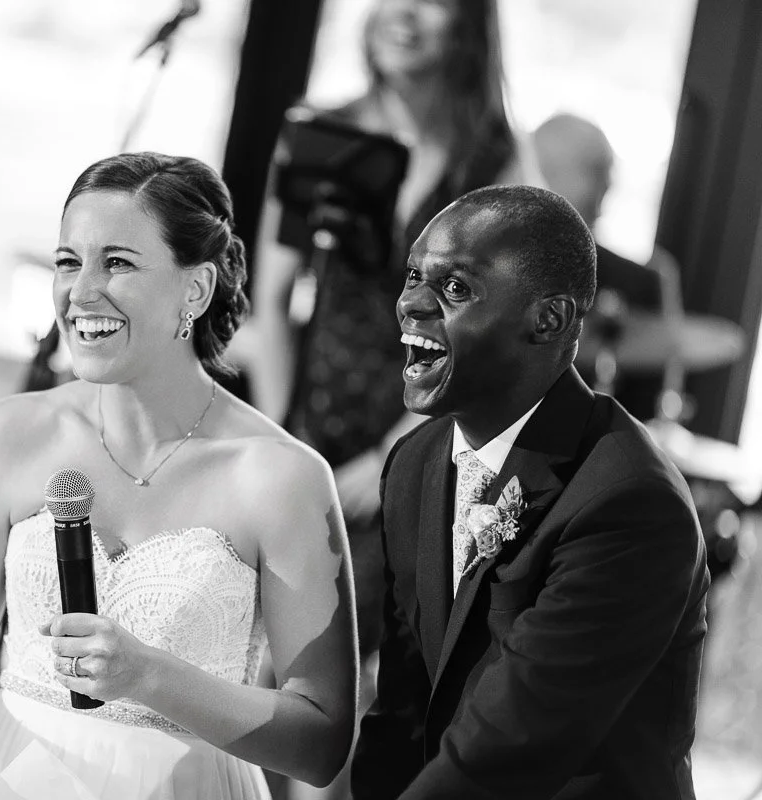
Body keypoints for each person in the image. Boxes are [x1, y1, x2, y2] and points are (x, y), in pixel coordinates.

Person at [0, 152, 357, 800]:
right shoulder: (13, 435)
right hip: (10, 773)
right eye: (69, 261)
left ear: (195, 290)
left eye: (116, 262)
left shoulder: (281, 477)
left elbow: (322, 740)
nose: (80, 292)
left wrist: (150, 676)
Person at [350, 184, 708, 799]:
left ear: (550, 319)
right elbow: (402, 714)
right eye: (414, 276)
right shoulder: (415, 461)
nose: (411, 302)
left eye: (455, 287)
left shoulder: (628, 504)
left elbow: (508, 750)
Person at [236, 0, 539, 704]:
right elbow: (271, 303)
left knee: (331, 684)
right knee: (254, 661)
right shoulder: (321, 132)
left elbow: (502, 334)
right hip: (314, 423)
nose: (402, 12)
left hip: (425, 436)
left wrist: (394, 458)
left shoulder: (495, 160)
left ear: (468, 22)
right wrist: (287, 440)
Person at [531, 111, 671, 421]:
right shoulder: (484, 262)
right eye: (595, 172)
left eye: (604, 173)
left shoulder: (637, 281)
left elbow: (643, 410)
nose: (607, 186)